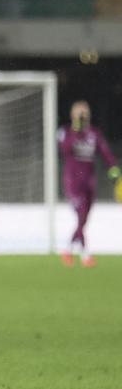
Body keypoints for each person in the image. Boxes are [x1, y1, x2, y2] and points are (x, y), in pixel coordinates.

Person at [57, 100, 120, 267]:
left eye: (85, 113)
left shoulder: (94, 134)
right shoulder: (65, 132)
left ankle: (69, 250)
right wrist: (76, 130)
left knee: (84, 219)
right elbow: (65, 149)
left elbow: (106, 155)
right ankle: (84, 254)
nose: (83, 116)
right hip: (73, 184)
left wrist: (115, 173)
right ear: (72, 115)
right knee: (81, 216)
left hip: (89, 184)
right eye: (79, 113)